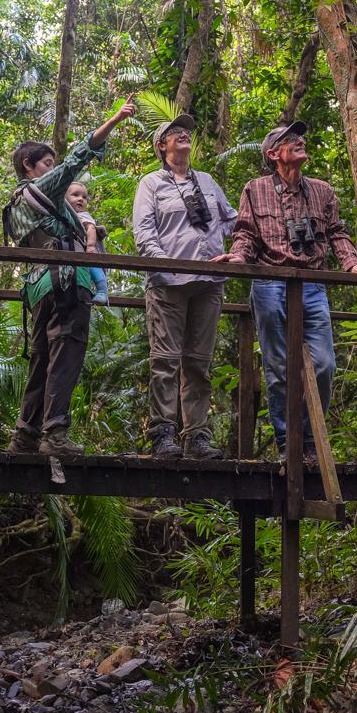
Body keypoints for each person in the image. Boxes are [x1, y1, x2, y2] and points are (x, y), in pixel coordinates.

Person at [216, 120, 357, 460]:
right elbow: (247, 232)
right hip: (269, 282)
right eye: (289, 139)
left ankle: (310, 440)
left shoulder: (321, 190)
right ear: (273, 154)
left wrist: (353, 265)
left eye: (299, 137)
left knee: (324, 364)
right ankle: (288, 443)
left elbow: (337, 232)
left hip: (312, 284)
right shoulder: (255, 188)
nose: (299, 141)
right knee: (279, 366)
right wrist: (237, 258)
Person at [4, 96, 136, 457]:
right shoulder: (43, 187)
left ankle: (26, 434)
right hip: (65, 282)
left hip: (38, 286)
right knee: (66, 355)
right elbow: (80, 155)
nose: (55, 169)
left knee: (42, 358)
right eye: (48, 163)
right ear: (29, 166)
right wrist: (115, 118)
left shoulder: (18, 201)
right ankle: (55, 435)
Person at [132, 113, 238, 459]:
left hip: (209, 282)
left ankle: (197, 437)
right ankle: (163, 433)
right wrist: (168, 264)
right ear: (161, 146)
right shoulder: (151, 184)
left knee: (198, 362)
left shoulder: (207, 181)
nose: (183, 135)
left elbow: (232, 220)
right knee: (165, 361)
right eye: (174, 132)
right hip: (168, 284)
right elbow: (144, 232)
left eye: (186, 131)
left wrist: (236, 250)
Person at [64, 180, 110, 305]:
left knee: (94, 267)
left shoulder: (83, 215)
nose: (81, 199)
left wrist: (90, 246)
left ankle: (102, 291)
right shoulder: (65, 214)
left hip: (86, 250)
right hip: (74, 253)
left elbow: (91, 228)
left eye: (84, 197)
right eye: (75, 195)